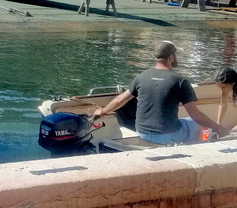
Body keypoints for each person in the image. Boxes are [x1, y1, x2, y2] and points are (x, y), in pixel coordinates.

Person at [94, 40, 229, 144]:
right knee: (197, 125)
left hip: (142, 133)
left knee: (184, 122)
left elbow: (119, 100)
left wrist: (103, 111)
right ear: (171, 57)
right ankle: (194, 155)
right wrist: (218, 128)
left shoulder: (142, 77)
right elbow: (196, 116)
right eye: (175, 55)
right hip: (167, 135)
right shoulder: (180, 81)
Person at [214, 65, 237, 130]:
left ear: (231, 83)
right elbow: (223, 104)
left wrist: (234, 130)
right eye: (220, 87)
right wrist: (218, 126)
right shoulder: (228, 79)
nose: (222, 90)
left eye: (223, 87)